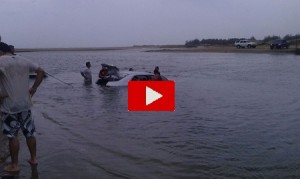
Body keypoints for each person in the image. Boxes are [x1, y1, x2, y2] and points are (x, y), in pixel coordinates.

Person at [0, 42, 45, 172]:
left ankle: (15, 165)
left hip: (9, 106)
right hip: (26, 104)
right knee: (29, 133)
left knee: (12, 135)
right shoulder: (23, 60)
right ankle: (34, 159)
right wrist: (34, 89)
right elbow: (41, 71)